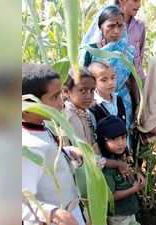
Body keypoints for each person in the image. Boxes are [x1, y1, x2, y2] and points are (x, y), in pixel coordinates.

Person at [22, 64, 85, 225]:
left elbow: (47, 157)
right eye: (54, 97)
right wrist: (54, 214)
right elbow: (23, 200)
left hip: (70, 211)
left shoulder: (43, 127)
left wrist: (67, 151)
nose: (61, 103)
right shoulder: (28, 147)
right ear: (27, 106)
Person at [81, 5, 137, 153]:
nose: (116, 31)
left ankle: (126, 168)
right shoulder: (90, 50)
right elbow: (81, 79)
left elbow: (133, 78)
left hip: (122, 101)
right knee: (101, 138)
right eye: (111, 26)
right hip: (97, 102)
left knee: (122, 138)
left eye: (120, 25)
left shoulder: (127, 49)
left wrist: (138, 105)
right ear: (100, 27)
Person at [96, 115, 145, 225]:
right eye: (115, 139)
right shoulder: (106, 168)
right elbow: (111, 196)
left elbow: (130, 170)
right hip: (118, 216)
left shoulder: (122, 158)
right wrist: (133, 189)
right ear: (103, 140)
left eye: (123, 137)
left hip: (129, 212)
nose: (121, 143)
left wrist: (137, 175)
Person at [81, 0, 146, 81]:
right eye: (135, 0)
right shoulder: (104, 18)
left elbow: (139, 56)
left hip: (134, 82)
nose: (139, 5)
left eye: (120, 26)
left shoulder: (140, 27)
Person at [63, 68, 98, 154]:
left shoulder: (87, 112)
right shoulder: (69, 116)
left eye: (92, 90)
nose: (89, 96)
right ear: (66, 92)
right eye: (82, 90)